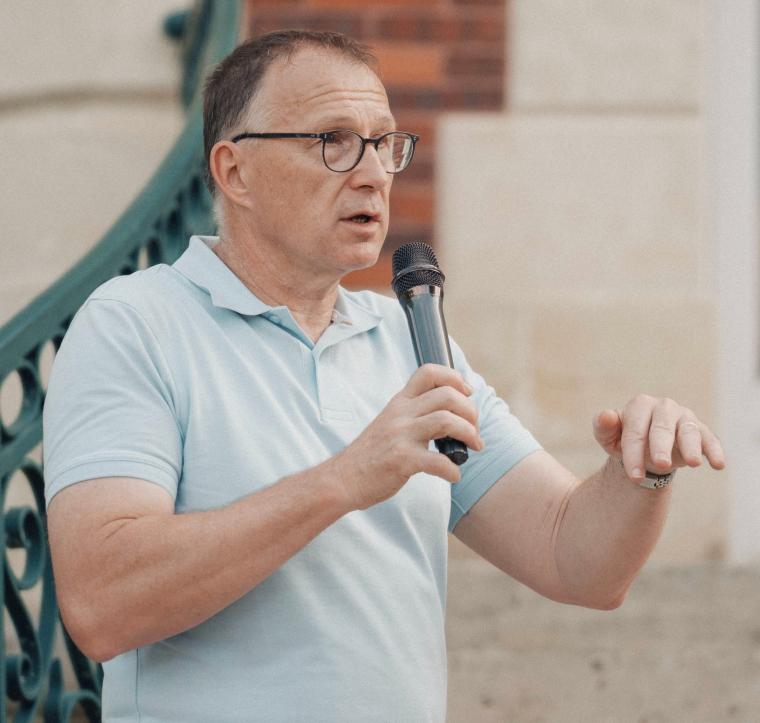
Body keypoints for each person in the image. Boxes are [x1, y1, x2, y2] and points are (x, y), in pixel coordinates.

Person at [42, 30, 726, 723]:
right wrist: (343, 479)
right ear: (234, 171)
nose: (372, 173)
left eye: (386, 144)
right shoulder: (136, 323)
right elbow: (102, 602)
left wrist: (641, 475)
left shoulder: (411, 340)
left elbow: (575, 559)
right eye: (334, 141)